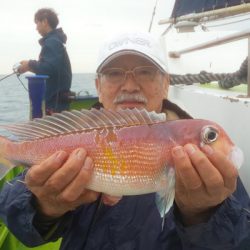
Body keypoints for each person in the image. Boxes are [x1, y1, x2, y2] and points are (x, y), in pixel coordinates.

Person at [1, 32, 250, 250]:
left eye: (146, 72)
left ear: (165, 85)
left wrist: (204, 214)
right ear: (98, 85)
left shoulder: (211, 165)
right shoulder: (72, 135)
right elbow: (14, 217)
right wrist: (43, 206)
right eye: (114, 73)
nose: (130, 85)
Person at [18, 8, 72, 114]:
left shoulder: (52, 42)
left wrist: (29, 64)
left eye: (37, 23)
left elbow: (49, 68)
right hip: (58, 101)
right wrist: (30, 65)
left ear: (45, 22)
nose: (36, 28)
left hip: (55, 104)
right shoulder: (56, 41)